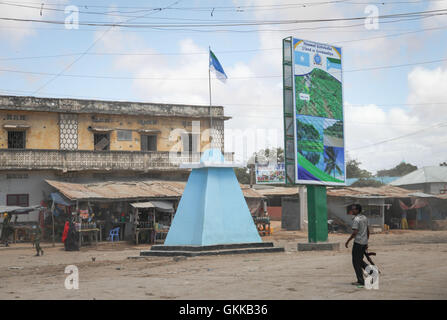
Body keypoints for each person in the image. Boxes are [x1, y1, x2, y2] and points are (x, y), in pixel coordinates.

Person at [345, 204, 370, 288]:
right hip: (363, 243)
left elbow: (355, 232)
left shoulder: (357, 219)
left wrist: (348, 241)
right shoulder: (364, 218)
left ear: (357, 210)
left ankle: (360, 281)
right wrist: (366, 242)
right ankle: (372, 271)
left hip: (358, 243)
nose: (352, 211)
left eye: (353, 209)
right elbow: (367, 230)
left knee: (356, 262)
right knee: (359, 260)